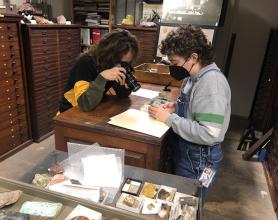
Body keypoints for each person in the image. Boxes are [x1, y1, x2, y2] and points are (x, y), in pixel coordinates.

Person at [148, 25, 231, 201]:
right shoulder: (193, 77)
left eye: (175, 63)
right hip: (188, 151)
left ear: (194, 57)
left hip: (199, 160)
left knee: (187, 203)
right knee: (179, 198)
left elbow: (209, 133)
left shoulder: (211, 84)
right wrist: (176, 108)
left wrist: (170, 119)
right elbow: (196, 110)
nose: (173, 67)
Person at [58, 29, 139, 113]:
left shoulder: (113, 64)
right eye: (119, 62)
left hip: (93, 109)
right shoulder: (85, 63)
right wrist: (102, 78)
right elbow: (85, 104)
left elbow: (121, 94)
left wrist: (126, 84)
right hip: (69, 112)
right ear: (109, 55)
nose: (120, 66)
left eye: (126, 63)